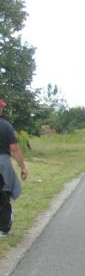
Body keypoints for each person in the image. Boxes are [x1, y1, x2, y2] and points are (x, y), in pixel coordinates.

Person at [0, 98, 28, 236]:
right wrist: (23, 167)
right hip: (2, 163)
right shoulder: (6, 126)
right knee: (4, 195)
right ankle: (3, 228)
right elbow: (14, 149)